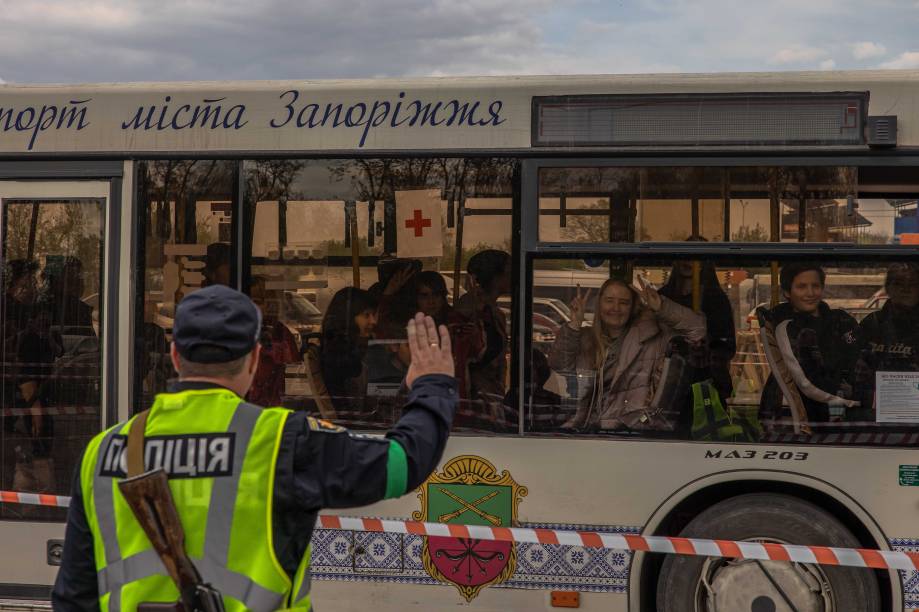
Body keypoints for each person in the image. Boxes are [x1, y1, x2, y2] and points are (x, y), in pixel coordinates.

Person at [52, 285, 456, 610]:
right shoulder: (283, 440)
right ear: (254, 359)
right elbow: (403, 463)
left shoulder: (102, 452)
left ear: (175, 355)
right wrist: (432, 384)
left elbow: (73, 598)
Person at [549, 278, 706, 432]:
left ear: (632, 308)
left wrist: (661, 307)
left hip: (631, 434)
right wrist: (574, 325)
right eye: (609, 300)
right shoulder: (583, 338)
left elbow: (698, 329)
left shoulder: (652, 335)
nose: (616, 308)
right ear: (599, 304)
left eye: (624, 302)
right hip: (587, 432)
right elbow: (559, 366)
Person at [758, 263, 859, 424]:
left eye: (816, 286)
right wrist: (852, 401)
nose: (810, 293)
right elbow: (807, 382)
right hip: (807, 413)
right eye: (801, 287)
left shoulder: (841, 320)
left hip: (841, 404)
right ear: (786, 292)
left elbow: (860, 358)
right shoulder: (785, 327)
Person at [450, 250, 511, 429]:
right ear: (495, 277)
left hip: (492, 397)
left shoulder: (495, 313)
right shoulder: (466, 314)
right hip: (473, 402)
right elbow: (462, 362)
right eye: (509, 272)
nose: (514, 277)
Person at [659, 257, 736, 400]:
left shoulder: (716, 300)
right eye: (685, 255)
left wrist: (705, 349)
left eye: (697, 258)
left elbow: (726, 344)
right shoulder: (662, 297)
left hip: (704, 380)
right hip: (666, 377)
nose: (688, 261)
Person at [854, 263, 919, 417]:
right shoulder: (871, 323)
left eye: (913, 284)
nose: (906, 289)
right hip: (872, 408)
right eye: (898, 283)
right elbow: (851, 354)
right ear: (888, 288)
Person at [319, 287, 378, 412]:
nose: (373, 321)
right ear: (348, 318)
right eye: (366, 315)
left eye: (374, 314)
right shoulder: (341, 358)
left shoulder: (346, 350)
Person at [247, 276, 300, 407]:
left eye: (257, 301)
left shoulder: (280, 332)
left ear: (270, 304)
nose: (251, 307)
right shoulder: (239, 331)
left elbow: (294, 370)